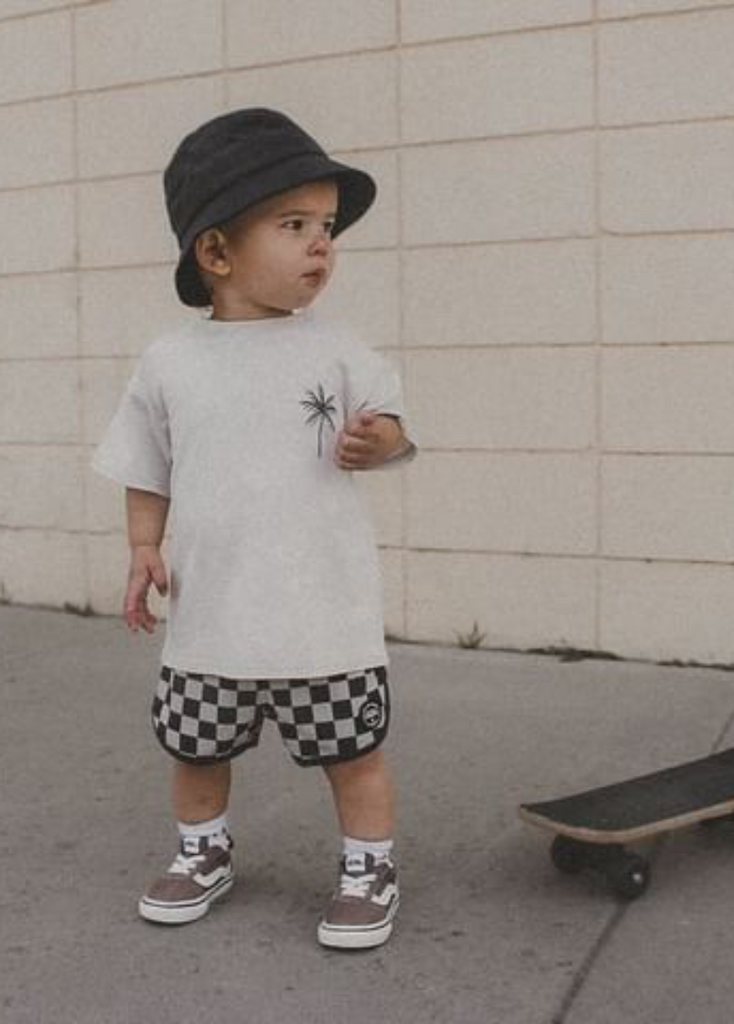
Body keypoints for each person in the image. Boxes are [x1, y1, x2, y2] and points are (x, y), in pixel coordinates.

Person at [92, 108, 415, 950]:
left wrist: (380, 441)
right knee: (197, 749)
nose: (322, 245)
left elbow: (394, 428)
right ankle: (203, 852)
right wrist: (141, 549)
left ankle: (369, 864)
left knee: (353, 752)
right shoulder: (170, 362)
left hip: (324, 617)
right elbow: (145, 466)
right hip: (213, 616)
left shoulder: (336, 351)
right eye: (294, 224)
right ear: (217, 252)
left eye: (328, 227)